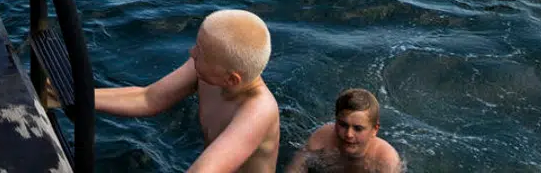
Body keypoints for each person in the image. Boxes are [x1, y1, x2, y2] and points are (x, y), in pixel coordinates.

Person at [91, 10, 280, 172]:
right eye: (198, 45)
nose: (192, 53)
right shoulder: (209, 71)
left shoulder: (259, 112)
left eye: (201, 53)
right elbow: (148, 98)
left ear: (231, 79)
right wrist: (77, 96)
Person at [284, 90, 403, 173]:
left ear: (374, 130)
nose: (348, 134)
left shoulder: (385, 160)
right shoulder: (321, 140)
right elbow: (295, 168)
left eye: (358, 128)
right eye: (343, 125)